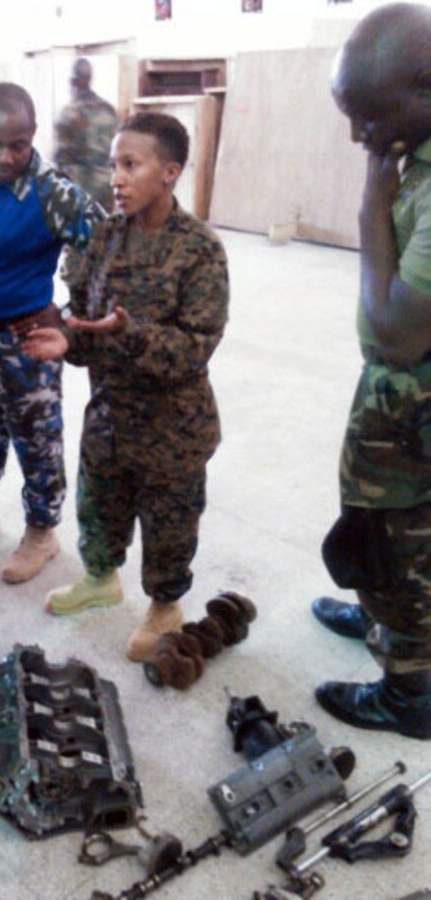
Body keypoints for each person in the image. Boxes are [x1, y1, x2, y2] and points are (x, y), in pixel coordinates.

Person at [20, 112, 229, 662]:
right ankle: (100, 579)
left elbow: (195, 347)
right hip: (110, 417)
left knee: (169, 525)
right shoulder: (106, 238)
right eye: (114, 164)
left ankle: (164, 606)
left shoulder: (200, 249)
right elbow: (87, 325)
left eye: (131, 165)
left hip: (173, 427)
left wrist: (130, 334)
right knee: (99, 509)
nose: (116, 177)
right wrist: (69, 341)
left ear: (170, 172)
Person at [312, 2, 431, 740]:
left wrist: (370, 202)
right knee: (382, 522)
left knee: (402, 537)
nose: (358, 136)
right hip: (403, 396)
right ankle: (380, 614)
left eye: (367, 117)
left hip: (413, 395)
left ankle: (409, 691)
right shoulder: (412, 150)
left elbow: (395, 331)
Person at [0, 82, 105, 583]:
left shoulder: (52, 191)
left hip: (27, 343)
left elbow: (106, 249)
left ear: (34, 136)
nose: (5, 155)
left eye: (17, 145)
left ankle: (42, 533)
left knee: (36, 438)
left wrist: (65, 313)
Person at [54, 57, 119, 211]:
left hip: (79, 191)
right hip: (106, 187)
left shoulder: (68, 114)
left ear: (72, 81)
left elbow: (60, 160)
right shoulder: (109, 110)